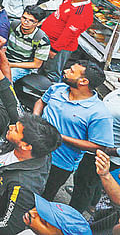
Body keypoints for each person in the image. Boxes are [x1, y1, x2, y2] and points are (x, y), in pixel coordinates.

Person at [35, 60, 114, 201]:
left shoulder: (99, 113)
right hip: (33, 147)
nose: (65, 71)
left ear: (83, 81)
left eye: (71, 71)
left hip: (58, 163)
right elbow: (41, 101)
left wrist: (60, 137)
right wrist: (34, 119)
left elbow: (99, 146)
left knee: (42, 196)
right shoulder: (58, 88)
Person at [39, 0, 97, 81]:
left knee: (51, 72)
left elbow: (69, 34)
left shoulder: (81, 13)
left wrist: (54, 50)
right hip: (48, 40)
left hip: (58, 47)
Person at [5, 5, 51, 83]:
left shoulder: (42, 40)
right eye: (24, 18)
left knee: (5, 80)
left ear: (39, 23)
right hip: (5, 59)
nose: (25, 22)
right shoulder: (13, 25)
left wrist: (11, 64)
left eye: (31, 21)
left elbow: (36, 64)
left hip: (22, 67)